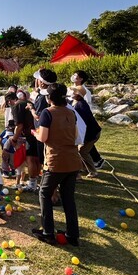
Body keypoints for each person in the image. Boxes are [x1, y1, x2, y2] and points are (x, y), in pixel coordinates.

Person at [32, 83, 82, 246]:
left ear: (50, 98)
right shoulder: (71, 113)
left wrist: (35, 132)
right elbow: (75, 135)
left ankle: (47, 232)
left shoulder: (47, 113)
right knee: (68, 198)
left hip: (56, 161)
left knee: (44, 193)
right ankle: (72, 235)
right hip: (73, 161)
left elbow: (43, 138)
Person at [26, 68, 58, 192]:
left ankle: (49, 189)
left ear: (43, 83)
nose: (37, 81)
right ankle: (46, 186)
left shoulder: (43, 97)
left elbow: (38, 116)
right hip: (47, 132)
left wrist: (31, 108)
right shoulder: (50, 94)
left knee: (44, 161)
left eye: (39, 80)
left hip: (42, 133)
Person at [71, 70, 105, 169]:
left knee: (84, 150)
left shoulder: (83, 99)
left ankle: (93, 167)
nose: (72, 93)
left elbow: (84, 118)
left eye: (75, 75)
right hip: (86, 129)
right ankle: (89, 165)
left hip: (88, 129)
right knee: (85, 148)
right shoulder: (77, 99)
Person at [6, 91, 38, 191]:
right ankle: (35, 181)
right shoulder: (27, 102)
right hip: (39, 132)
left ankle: (32, 184)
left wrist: (14, 139)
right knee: (37, 159)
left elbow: (19, 126)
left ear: (9, 101)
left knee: (30, 159)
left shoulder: (16, 107)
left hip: (30, 134)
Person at [71, 86, 101, 178]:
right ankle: (83, 167)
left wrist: (81, 137)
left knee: (83, 151)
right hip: (90, 132)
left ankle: (93, 171)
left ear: (79, 95)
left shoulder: (81, 106)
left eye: (75, 92)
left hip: (92, 133)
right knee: (82, 151)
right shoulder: (77, 103)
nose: (72, 93)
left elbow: (83, 123)